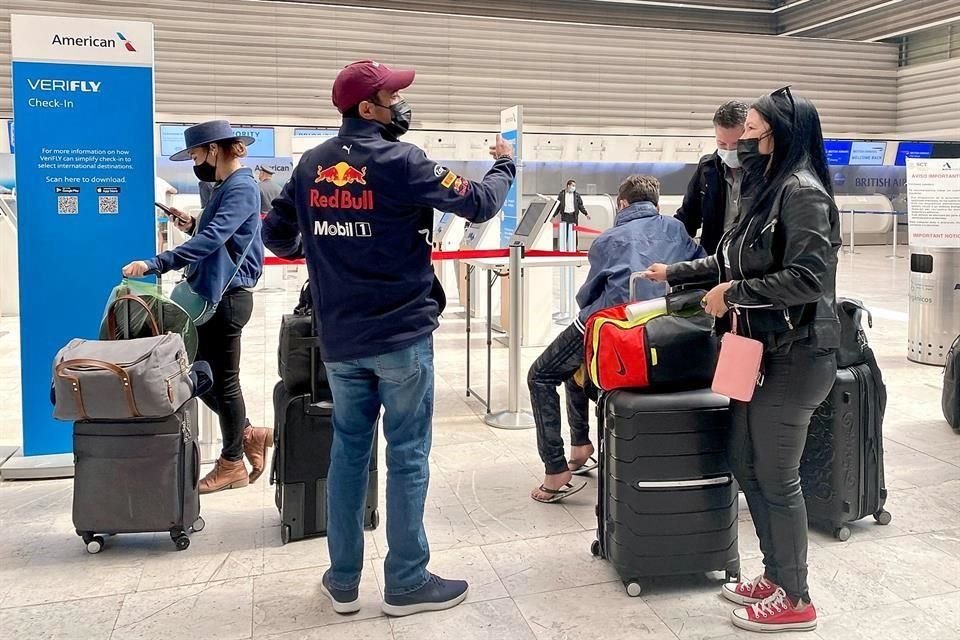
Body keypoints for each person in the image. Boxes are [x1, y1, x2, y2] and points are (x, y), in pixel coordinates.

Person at [262, 60, 515, 618]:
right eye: (393, 95)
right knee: (407, 455)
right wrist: (505, 165)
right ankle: (405, 582)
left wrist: (328, 250)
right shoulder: (404, 161)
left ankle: (344, 581)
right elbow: (480, 202)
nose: (401, 104)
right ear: (368, 108)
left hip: (342, 341)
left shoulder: (309, 166)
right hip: (401, 336)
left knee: (349, 452)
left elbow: (277, 236)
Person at [644, 87, 840, 634]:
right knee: (746, 461)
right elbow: (734, 256)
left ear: (778, 134)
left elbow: (808, 279)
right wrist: (678, 274)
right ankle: (774, 576)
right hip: (754, 349)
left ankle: (796, 596)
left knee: (776, 475)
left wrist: (732, 294)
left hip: (794, 354)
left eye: (750, 133)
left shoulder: (802, 194)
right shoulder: (768, 190)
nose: (741, 144)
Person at [528, 175, 705, 504]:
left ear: (622, 203)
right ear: (655, 202)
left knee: (541, 374)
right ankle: (581, 446)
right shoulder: (677, 229)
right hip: (664, 327)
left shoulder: (608, 239)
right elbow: (700, 263)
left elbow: (588, 297)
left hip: (617, 328)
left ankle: (557, 468)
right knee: (573, 367)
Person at [122, 120, 270, 494]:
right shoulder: (227, 187)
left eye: (195, 154)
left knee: (221, 380)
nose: (194, 162)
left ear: (215, 150)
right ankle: (248, 434)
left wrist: (157, 262)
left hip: (227, 298)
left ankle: (233, 461)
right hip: (215, 293)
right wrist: (192, 225)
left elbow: (217, 238)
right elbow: (221, 238)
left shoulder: (241, 187)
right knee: (199, 375)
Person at [676, 100, 748, 255]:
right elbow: (687, 218)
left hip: (750, 265)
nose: (729, 150)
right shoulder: (707, 169)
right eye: (722, 144)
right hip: (712, 260)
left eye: (736, 145)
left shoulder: (764, 172)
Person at [553, 179, 590, 253]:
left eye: (574, 186)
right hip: (565, 216)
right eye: (572, 185)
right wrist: (553, 215)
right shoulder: (562, 195)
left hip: (573, 216)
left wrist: (586, 214)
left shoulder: (576, 195)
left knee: (574, 232)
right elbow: (558, 206)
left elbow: (580, 206)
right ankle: (564, 248)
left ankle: (574, 248)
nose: (574, 187)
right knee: (564, 232)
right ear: (568, 186)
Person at [155, 176, 177, 252]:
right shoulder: (161, 180)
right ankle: (159, 252)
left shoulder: (148, 180)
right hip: (161, 209)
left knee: (156, 231)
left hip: (152, 209)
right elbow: (174, 191)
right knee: (159, 231)